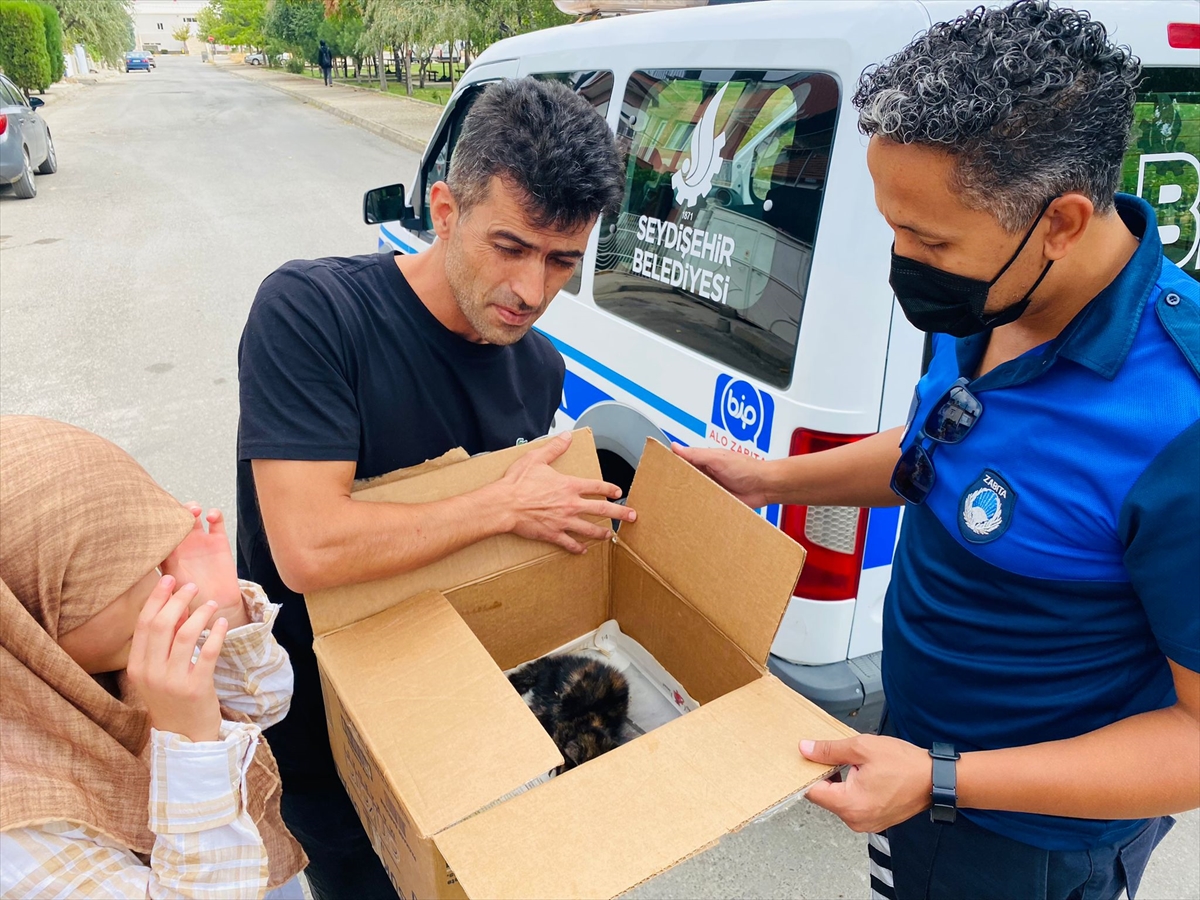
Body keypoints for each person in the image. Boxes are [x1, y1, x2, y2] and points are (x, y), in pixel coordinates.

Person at [674, 3, 1199, 899]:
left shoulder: (1176, 428)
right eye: (892, 226)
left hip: (1029, 845)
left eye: (928, 240)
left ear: (1062, 222)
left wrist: (946, 780)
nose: (902, 260)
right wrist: (770, 479)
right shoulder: (1000, 297)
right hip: (915, 776)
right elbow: (940, 454)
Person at [236, 76, 630, 899]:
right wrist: (500, 504)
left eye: (563, 260)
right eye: (511, 246)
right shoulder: (313, 315)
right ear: (445, 211)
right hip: (332, 743)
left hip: (471, 723)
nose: (532, 291)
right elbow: (308, 548)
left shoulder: (538, 367)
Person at [0, 415, 307, 900]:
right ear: (26, 617)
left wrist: (222, 614)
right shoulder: (17, 825)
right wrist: (189, 743)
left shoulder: (94, 667)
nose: (161, 585)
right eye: (115, 576)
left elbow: (264, 705)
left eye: (152, 554)